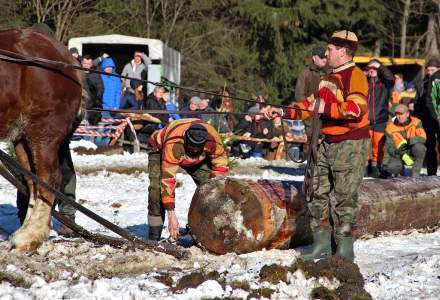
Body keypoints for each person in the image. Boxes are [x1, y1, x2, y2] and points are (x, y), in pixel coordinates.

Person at [266, 30, 369, 261]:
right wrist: (282, 111)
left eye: (330, 49)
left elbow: (356, 109)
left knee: (345, 197)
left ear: (343, 52)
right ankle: (321, 243)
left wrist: (326, 109)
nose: (326, 53)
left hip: (350, 144)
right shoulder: (327, 77)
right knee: (315, 192)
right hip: (325, 142)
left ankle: (344, 249)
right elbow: (310, 104)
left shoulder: (356, 76)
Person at [147, 119, 229, 240]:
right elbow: (167, 179)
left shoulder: (213, 140)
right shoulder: (174, 143)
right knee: (156, 191)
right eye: (192, 146)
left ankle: (207, 232)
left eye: (198, 147)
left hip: (197, 160)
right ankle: (154, 236)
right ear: (186, 139)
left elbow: (221, 166)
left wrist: (214, 189)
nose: (195, 149)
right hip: (159, 149)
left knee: (212, 190)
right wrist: (171, 214)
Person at [295, 46, 328, 158]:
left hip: (326, 114)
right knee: (311, 142)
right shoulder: (305, 74)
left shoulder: (328, 74)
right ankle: (309, 169)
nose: (325, 59)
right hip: (310, 115)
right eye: (322, 57)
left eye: (326, 57)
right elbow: (300, 96)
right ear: (314, 58)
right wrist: (308, 115)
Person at [365, 59, 394, 177]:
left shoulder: (384, 84)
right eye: (370, 68)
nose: (372, 70)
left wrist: (380, 66)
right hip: (365, 121)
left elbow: (390, 78)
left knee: (378, 146)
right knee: (366, 146)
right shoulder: (364, 83)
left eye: (374, 68)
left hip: (380, 120)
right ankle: (366, 167)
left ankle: (377, 166)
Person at [383, 104, 426, 177]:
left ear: (407, 114)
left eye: (401, 114)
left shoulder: (416, 122)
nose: (399, 117)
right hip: (399, 154)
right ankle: (400, 173)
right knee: (391, 167)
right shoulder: (389, 128)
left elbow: (423, 137)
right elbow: (389, 146)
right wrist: (398, 152)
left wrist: (410, 141)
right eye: (397, 114)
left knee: (420, 148)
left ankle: (415, 174)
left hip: (413, 150)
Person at [415, 58, 440, 175]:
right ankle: (431, 173)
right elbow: (417, 103)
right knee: (429, 148)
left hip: (437, 117)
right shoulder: (421, 84)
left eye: (433, 70)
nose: (430, 72)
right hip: (426, 119)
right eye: (428, 70)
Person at [95, 57, 122, 146]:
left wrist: (116, 106)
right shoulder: (100, 77)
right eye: (107, 67)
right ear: (103, 67)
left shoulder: (116, 78)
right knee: (101, 129)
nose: (109, 69)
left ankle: (104, 146)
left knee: (108, 129)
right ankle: (98, 146)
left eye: (111, 67)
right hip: (102, 108)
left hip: (112, 108)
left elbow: (118, 93)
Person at [81, 55, 104, 127]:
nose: (86, 66)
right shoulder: (78, 73)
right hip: (80, 105)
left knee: (89, 129)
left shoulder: (95, 74)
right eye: (85, 63)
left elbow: (101, 89)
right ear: (82, 63)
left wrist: (94, 100)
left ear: (91, 64)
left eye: (88, 64)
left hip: (91, 106)